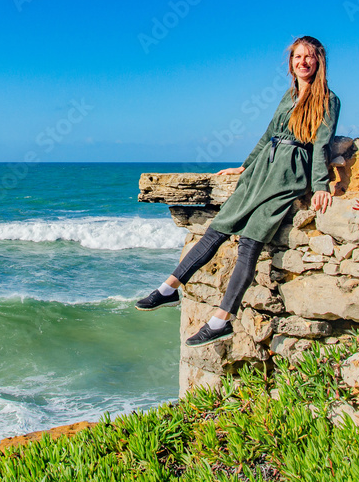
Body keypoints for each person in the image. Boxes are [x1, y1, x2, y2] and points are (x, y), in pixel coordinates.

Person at [135, 35, 340, 347]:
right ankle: (169, 288)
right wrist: (245, 166)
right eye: (298, 57)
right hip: (260, 172)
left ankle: (221, 320)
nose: (303, 62)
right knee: (217, 230)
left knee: (250, 243)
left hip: (288, 177)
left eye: (309, 57)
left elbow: (322, 144)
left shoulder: (328, 100)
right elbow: (268, 135)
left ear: (319, 61)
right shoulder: (288, 96)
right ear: (291, 63)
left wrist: (321, 185)